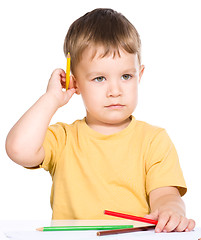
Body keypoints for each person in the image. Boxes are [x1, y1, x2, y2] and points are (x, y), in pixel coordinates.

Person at [6, 8, 195, 233]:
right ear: (74, 83)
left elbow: (166, 195)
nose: (114, 91)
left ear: (140, 75)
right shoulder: (63, 138)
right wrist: (52, 99)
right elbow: (18, 149)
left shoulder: (154, 140)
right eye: (99, 78)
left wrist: (170, 211)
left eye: (126, 76)